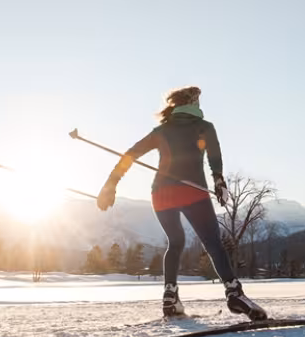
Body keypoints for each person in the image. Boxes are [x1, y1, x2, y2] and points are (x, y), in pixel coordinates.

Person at [96, 85, 267, 321]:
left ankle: (170, 296)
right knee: (213, 243)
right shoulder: (205, 127)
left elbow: (131, 153)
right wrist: (219, 181)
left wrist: (110, 183)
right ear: (194, 103)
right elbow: (214, 156)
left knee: (175, 242)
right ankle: (234, 293)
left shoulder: (162, 130)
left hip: (161, 193)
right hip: (192, 191)